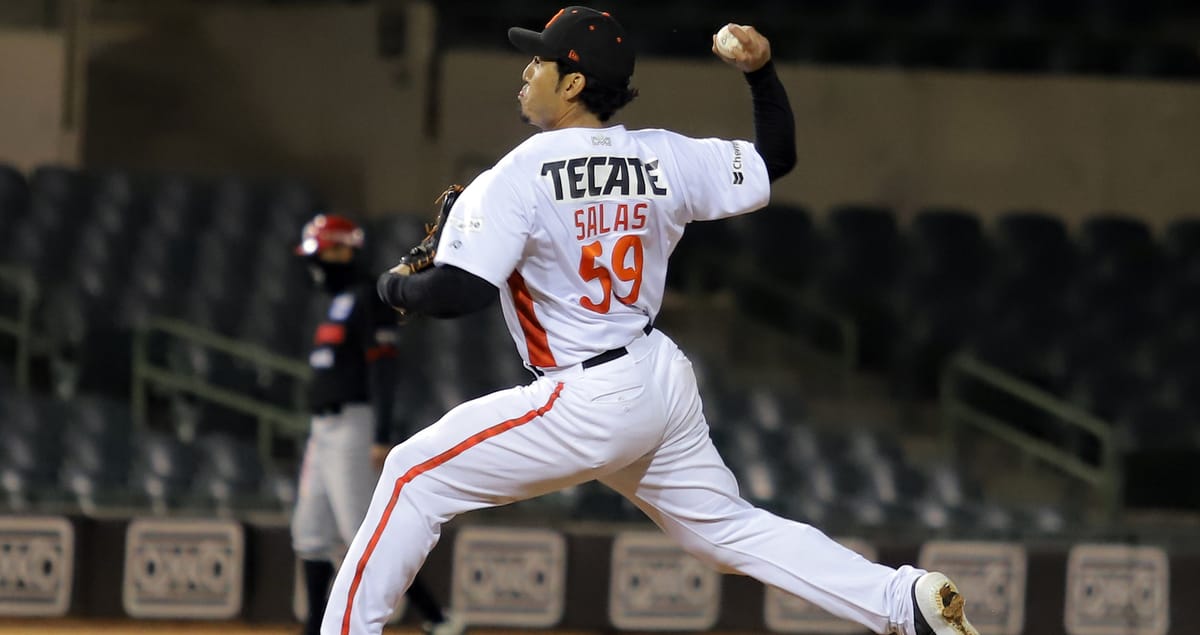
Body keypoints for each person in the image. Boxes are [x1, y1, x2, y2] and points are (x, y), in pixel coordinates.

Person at [325, 7, 978, 635]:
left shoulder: (516, 174)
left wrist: (392, 286)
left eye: (540, 62)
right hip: (656, 378)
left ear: (574, 84)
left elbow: (460, 292)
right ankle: (901, 598)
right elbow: (773, 158)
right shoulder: (661, 155)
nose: (527, 72)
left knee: (412, 472)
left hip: (585, 395)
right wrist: (761, 72)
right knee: (727, 528)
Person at [291, 214, 464, 635]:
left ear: (340, 250)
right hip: (323, 429)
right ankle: (314, 628)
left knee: (363, 534)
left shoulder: (369, 295)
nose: (315, 264)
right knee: (310, 531)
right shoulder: (335, 299)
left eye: (320, 253)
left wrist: (382, 434)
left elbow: (383, 370)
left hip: (355, 426)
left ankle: (439, 619)